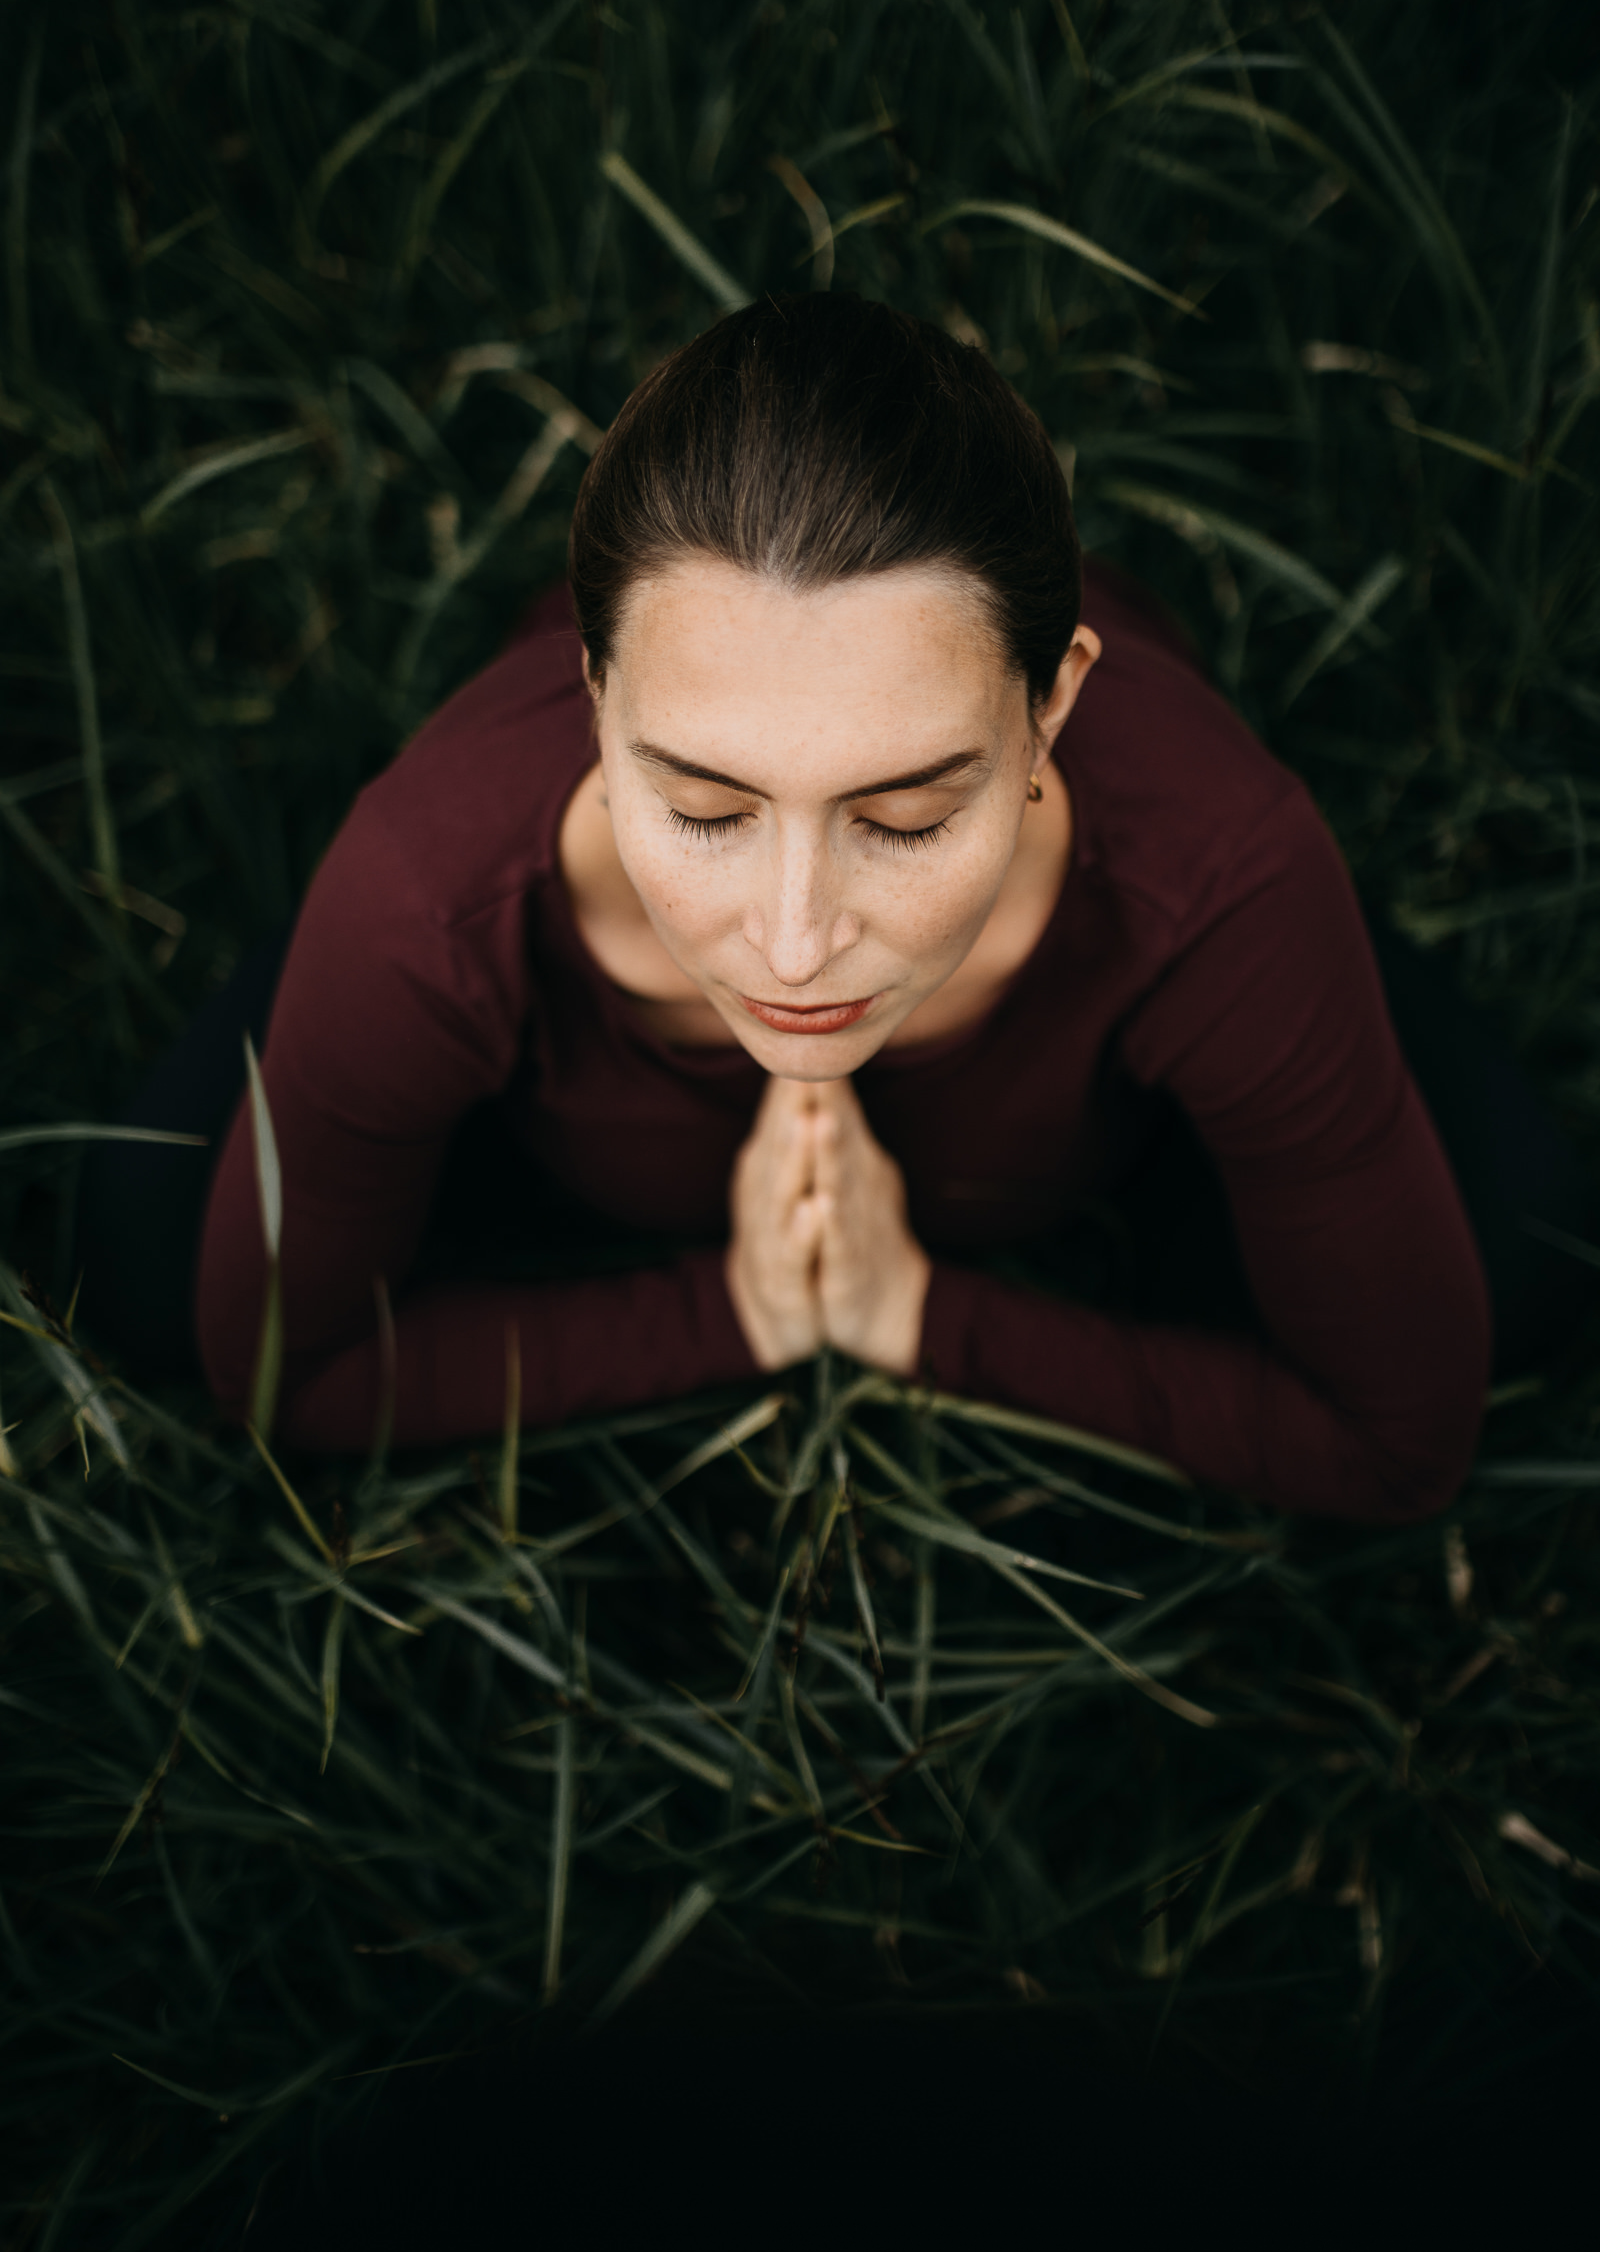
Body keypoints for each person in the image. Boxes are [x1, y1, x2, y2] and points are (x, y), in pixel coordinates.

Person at [77, 298, 1597, 1519]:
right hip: (465, 944)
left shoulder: (1225, 872)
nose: (797, 946)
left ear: (1058, 703)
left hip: (1165, 977)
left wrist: (918, 1317)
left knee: (1522, 1248)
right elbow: (287, 1374)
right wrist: (734, 1314)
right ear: (591, 698)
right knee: (155, 1258)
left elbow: (1401, 1443)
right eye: (705, 810)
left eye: (911, 813)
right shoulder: (428, 895)